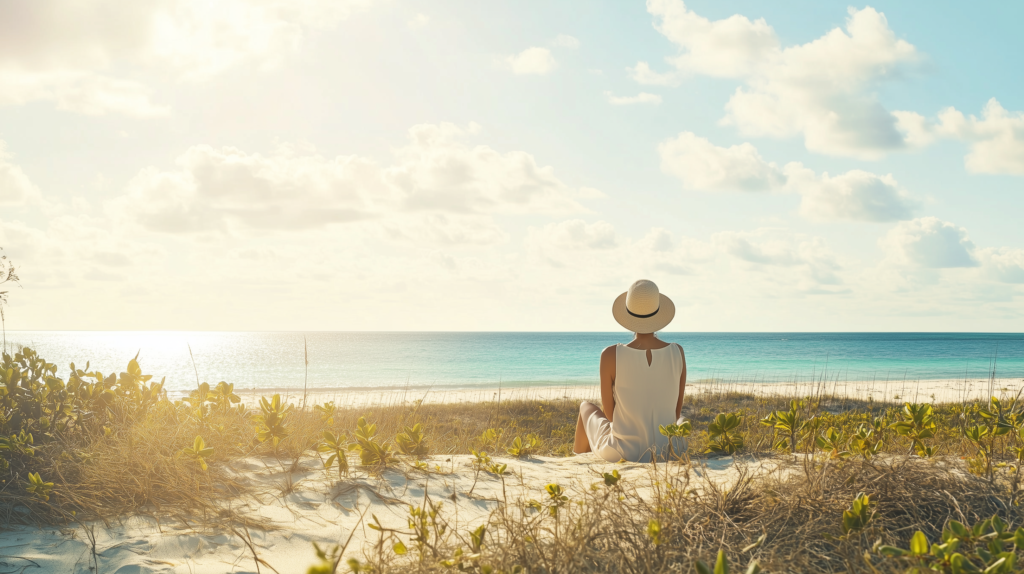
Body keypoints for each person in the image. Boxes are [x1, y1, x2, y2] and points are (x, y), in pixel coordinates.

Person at [573, 279, 687, 462]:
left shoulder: (611, 355)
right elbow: (675, 412)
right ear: (658, 314)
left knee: (586, 407)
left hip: (622, 452)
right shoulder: (677, 352)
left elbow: (610, 416)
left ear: (628, 315)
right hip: (669, 451)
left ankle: (577, 461)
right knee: (681, 419)